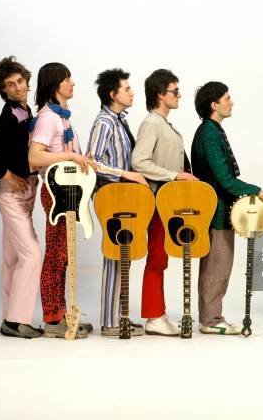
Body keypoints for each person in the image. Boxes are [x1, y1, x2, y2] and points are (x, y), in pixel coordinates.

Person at [191, 81, 263, 334]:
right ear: (214, 105)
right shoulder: (209, 133)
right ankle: (211, 321)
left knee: (219, 264)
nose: (231, 102)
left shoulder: (212, 130)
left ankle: (211, 317)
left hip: (220, 208)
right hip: (215, 211)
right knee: (217, 265)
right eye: (227, 98)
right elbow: (224, 178)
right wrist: (257, 190)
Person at [0, 56, 43, 339]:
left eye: (20, 81)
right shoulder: (9, 116)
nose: (17, 87)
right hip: (11, 196)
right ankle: (18, 320)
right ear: (3, 91)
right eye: (10, 85)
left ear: (27, 81)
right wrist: (5, 174)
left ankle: (7, 318)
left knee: (12, 258)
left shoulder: (27, 112)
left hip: (28, 192)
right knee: (32, 254)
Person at [28, 62, 94, 339]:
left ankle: (64, 314)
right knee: (56, 255)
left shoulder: (62, 117)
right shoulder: (48, 118)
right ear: (56, 84)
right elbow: (35, 157)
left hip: (69, 190)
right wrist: (69, 156)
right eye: (68, 79)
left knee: (64, 255)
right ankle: (52, 319)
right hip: (55, 191)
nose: (73, 83)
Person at [131, 68, 197, 336]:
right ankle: (153, 316)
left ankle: (158, 312)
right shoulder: (152, 123)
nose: (179, 95)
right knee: (157, 255)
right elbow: (139, 162)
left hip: (169, 200)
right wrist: (175, 175)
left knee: (161, 256)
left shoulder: (164, 123)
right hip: (158, 199)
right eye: (174, 91)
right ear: (160, 94)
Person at [86, 68, 148, 337]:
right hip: (112, 196)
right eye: (127, 88)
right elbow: (92, 163)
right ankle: (110, 322)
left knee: (125, 253)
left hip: (125, 196)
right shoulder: (105, 122)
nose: (132, 92)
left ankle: (120, 316)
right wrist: (126, 173)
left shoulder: (119, 121)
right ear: (113, 94)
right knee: (114, 254)